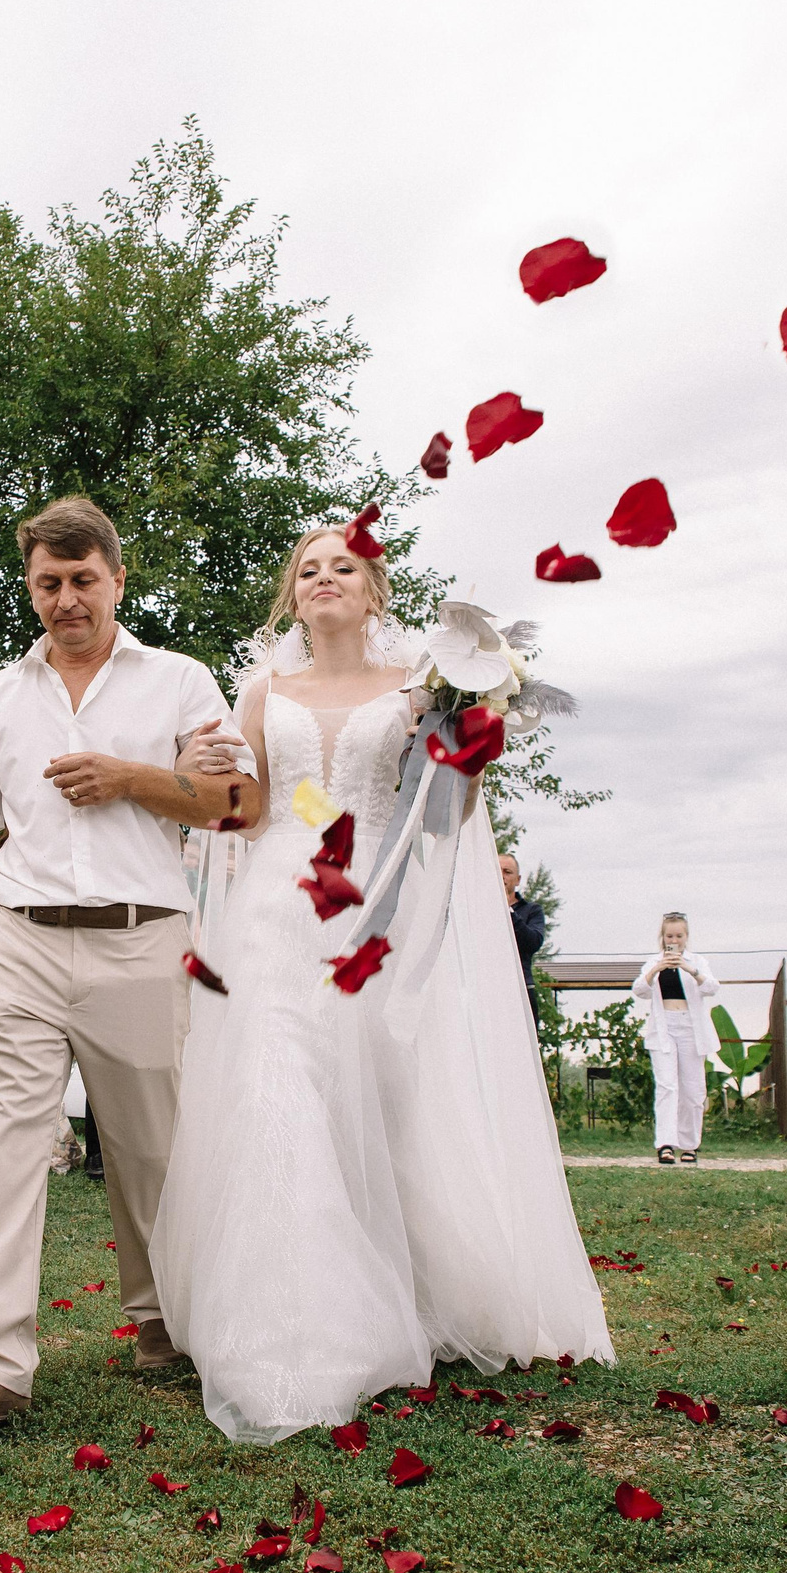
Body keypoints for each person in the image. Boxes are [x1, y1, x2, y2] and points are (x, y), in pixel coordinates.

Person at [151, 518, 612, 1442]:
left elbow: (448, 813)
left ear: (373, 591)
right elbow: (239, 815)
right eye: (310, 569)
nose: (326, 579)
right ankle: (292, 1326)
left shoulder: (417, 689)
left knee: (381, 1102)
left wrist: (471, 747)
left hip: (377, 908)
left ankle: (408, 1288)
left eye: (344, 568)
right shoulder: (261, 692)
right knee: (275, 1092)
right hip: (277, 912)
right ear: (296, 594)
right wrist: (190, 770)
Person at [0, 496, 262, 1436]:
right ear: (29, 588)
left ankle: (164, 1324)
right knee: (10, 1153)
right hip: (19, 940)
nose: (66, 598)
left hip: (144, 937)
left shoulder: (182, 682)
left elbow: (232, 799)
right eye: (47, 583)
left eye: (83, 580)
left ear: (117, 576)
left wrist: (129, 778)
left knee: (152, 1155)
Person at [632, 913, 718, 1164]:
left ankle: (689, 1145)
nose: (674, 940)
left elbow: (711, 987)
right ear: (663, 937)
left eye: (679, 936)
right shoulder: (653, 962)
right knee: (667, 1086)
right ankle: (665, 1144)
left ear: (686, 937)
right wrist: (657, 969)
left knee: (692, 1090)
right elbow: (639, 990)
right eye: (670, 936)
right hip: (664, 1027)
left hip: (691, 1028)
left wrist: (688, 968)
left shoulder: (697, 961)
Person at [500, 853, 547, 983]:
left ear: (518, 879)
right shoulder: (479, 908)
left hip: (521, 985)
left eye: (507, 872)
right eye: (496, 870)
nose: (501, 875)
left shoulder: (532, 910)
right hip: (486, 984)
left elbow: (533, 942)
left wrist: (508, 910)